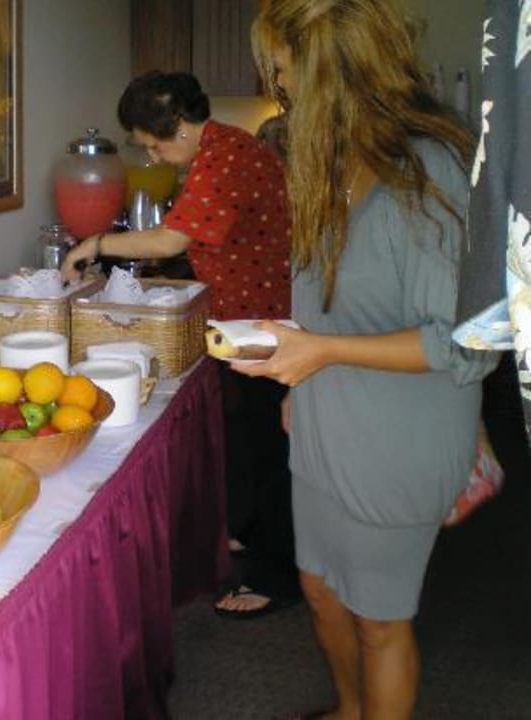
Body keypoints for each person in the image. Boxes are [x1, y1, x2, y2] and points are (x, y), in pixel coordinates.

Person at [236, 1, 500, 717]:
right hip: (323, 418)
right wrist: (299, 359)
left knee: (380, 619)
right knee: (321, 591)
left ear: (327, 74)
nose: (281, 89)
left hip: (398, 437)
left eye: (286, 75)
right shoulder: (330, 158)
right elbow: (331, 300)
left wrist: (316, 351)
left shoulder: (426, 172)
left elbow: (468, 344)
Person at [61, 71, 302, 618]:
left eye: (152, 143)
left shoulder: (226, 158)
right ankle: (245, 530)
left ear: (182, 126)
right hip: (243, 313)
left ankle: (277, 572)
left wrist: (94, 244)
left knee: (266, 448)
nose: (151, 155)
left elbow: (172, 238)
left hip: (260, 321)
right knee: (241, 435)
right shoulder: (223, 148)